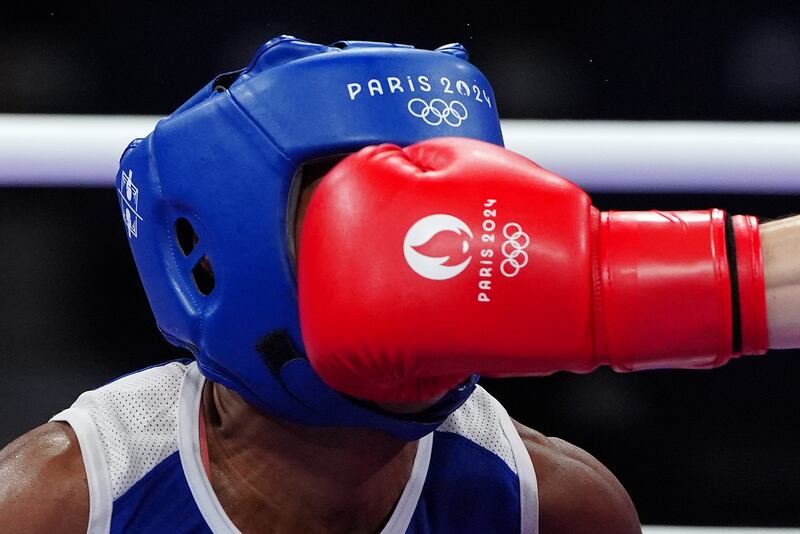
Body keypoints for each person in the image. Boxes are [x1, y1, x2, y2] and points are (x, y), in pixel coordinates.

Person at [1, 34, 795, 533]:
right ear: (214, 260)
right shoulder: (62, 503)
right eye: (377, 218)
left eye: (455, 203)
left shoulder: (550, 505)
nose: (435, 253)